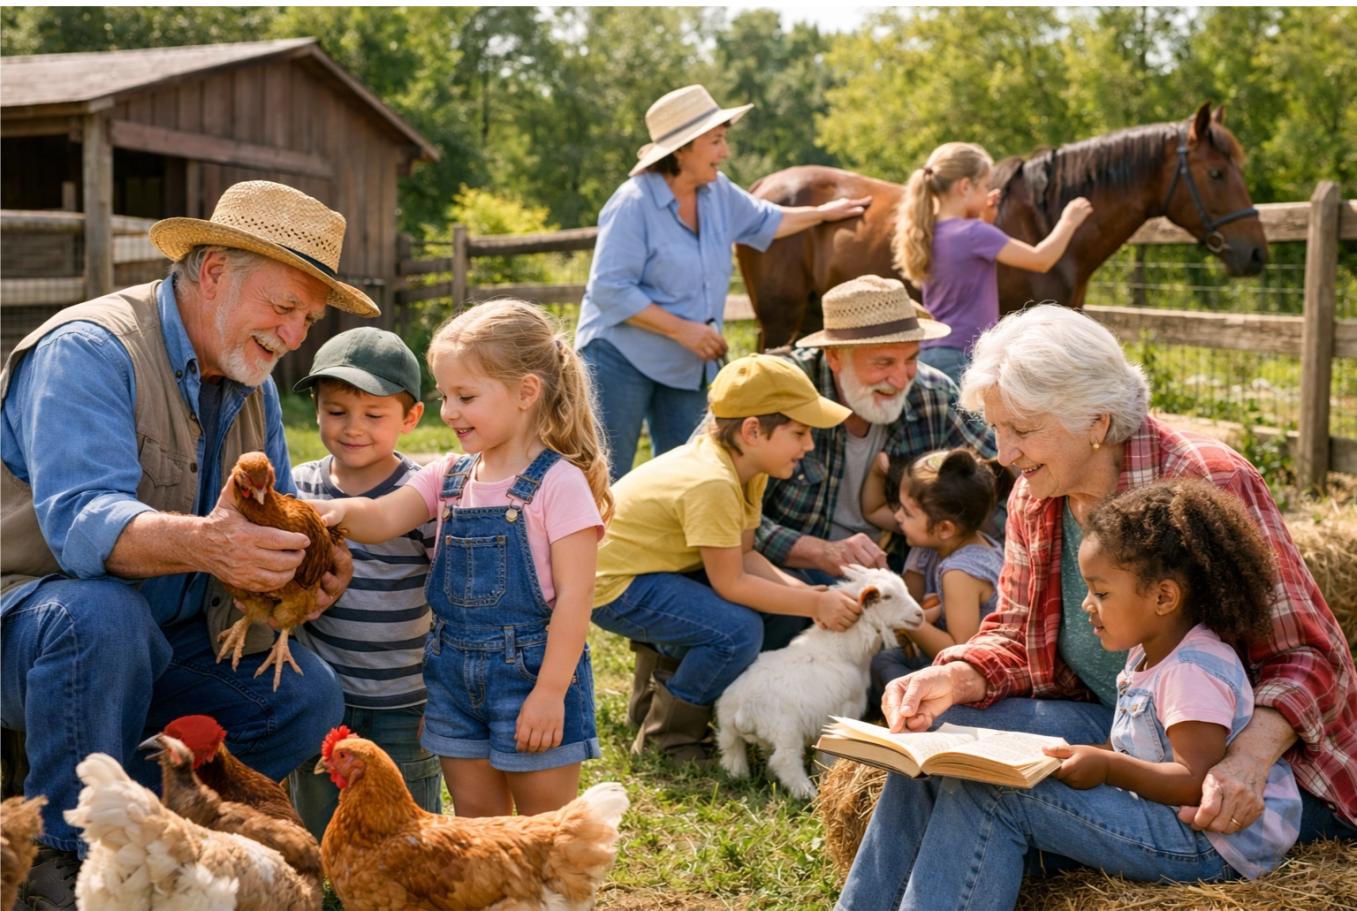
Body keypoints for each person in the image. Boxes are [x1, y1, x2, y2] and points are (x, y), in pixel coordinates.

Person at [838, 305, 1357, 911]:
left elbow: (1310, 656)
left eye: (1023, 430)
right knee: (931, 746)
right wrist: (952, 675)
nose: (1004, 454)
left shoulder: (1203, 481)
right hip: (1125, 728)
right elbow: (1013, 632)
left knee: (990, 792)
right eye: (998, 429)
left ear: (1096, 422)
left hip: (1249, 769)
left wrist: (1245, 760)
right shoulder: (1040, 492)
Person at [0, 180, 362, 907]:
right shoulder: (90, 349)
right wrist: (209, 545)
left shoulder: (252, 381)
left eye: (308, 318)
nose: (295, 336)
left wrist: (309, 561)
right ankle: (57, 860)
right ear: (214, 271)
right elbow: (80, 523)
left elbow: (273, 516)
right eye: (284, 308)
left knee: (306, 696)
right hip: (34, 635)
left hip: (164, 641)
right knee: (102, 615)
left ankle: (152, 842)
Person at [893, 480, 1302, 910]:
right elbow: (1132, 738)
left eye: (1101, 592)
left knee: (997, 796)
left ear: (1164, 596)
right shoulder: (1147, 652)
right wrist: (1083, 755)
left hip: (1205, 842)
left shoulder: (1192, 670)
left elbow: (1195, 781)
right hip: (1160, 815)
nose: (1087, 604)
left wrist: (1106, 766)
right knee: (982, 782)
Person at [310, 300, 609, 818]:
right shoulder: (448, 476)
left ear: (526, 393)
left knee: (547, 833)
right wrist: (308, 510)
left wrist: (550, 693)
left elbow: (577, 599)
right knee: (478, 830)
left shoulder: (559, 484)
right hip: (451, 684)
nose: (449, 411)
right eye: (445, 395)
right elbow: (378, 517)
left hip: (531, 678)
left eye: (465, 396)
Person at [576, 84, 870, 479]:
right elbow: (610, 290)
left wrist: (822, 214)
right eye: (715, 141)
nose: (725, 152)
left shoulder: (718, 193)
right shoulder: (632, 204)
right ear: (680, 150)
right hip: (620, 358)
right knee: (603, 477)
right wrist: (685, 331)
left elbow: (768, 219)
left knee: (692, 477)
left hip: (685, 363)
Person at [591, 354, 860, 764]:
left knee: (776, 610)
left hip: (653, 571)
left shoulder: (746, 468)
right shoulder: (712, 482)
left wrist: (806, 594)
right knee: (735, 631)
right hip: (613, 586)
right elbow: (730, 584)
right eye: (800, 432)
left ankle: (651, 704)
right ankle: (668, 736)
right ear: (753, 431)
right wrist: (813, 602)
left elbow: (747, 555)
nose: (808, 445)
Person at [285, 327, 443, 841]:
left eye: (374, 415)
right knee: (318, 820)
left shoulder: (420, 496)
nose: (354, 428)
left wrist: (443, 693)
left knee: (405, 828)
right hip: (322, 692)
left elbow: (446, 598)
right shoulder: (299, 485)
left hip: (404, 696)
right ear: (316, 409)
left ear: (411, 418)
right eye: (337, 411)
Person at [756, 275, 993, 581]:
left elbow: (997, 474)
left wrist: (984, 554)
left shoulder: (933, 394)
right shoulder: (776, 388)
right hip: (790, 568)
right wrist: (816, 551)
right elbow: (715, 496)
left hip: (900, 568)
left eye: (911, 359)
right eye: (883, 363)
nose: (901, 378)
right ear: (834, 356)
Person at [892, 142, 1093, 385]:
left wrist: (985, 220)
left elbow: (964, 265)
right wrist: (1069, 221)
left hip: (931, 353)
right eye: (985, 186)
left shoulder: (928, 231)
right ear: (965, 186)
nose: (988, 191)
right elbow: (1041, 260)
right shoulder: (974, 233)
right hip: (964, 356)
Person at [861, 448, 1009, 703]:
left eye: (907, 513)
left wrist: (905, 618)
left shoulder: (960, 572)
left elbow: (960, 649)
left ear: (944, 528)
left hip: (976, 673)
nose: (897, 517)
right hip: (943, 659)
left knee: (886, 662)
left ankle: (917, 712)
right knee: (885, 657)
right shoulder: (932, 544)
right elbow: (913, 598)